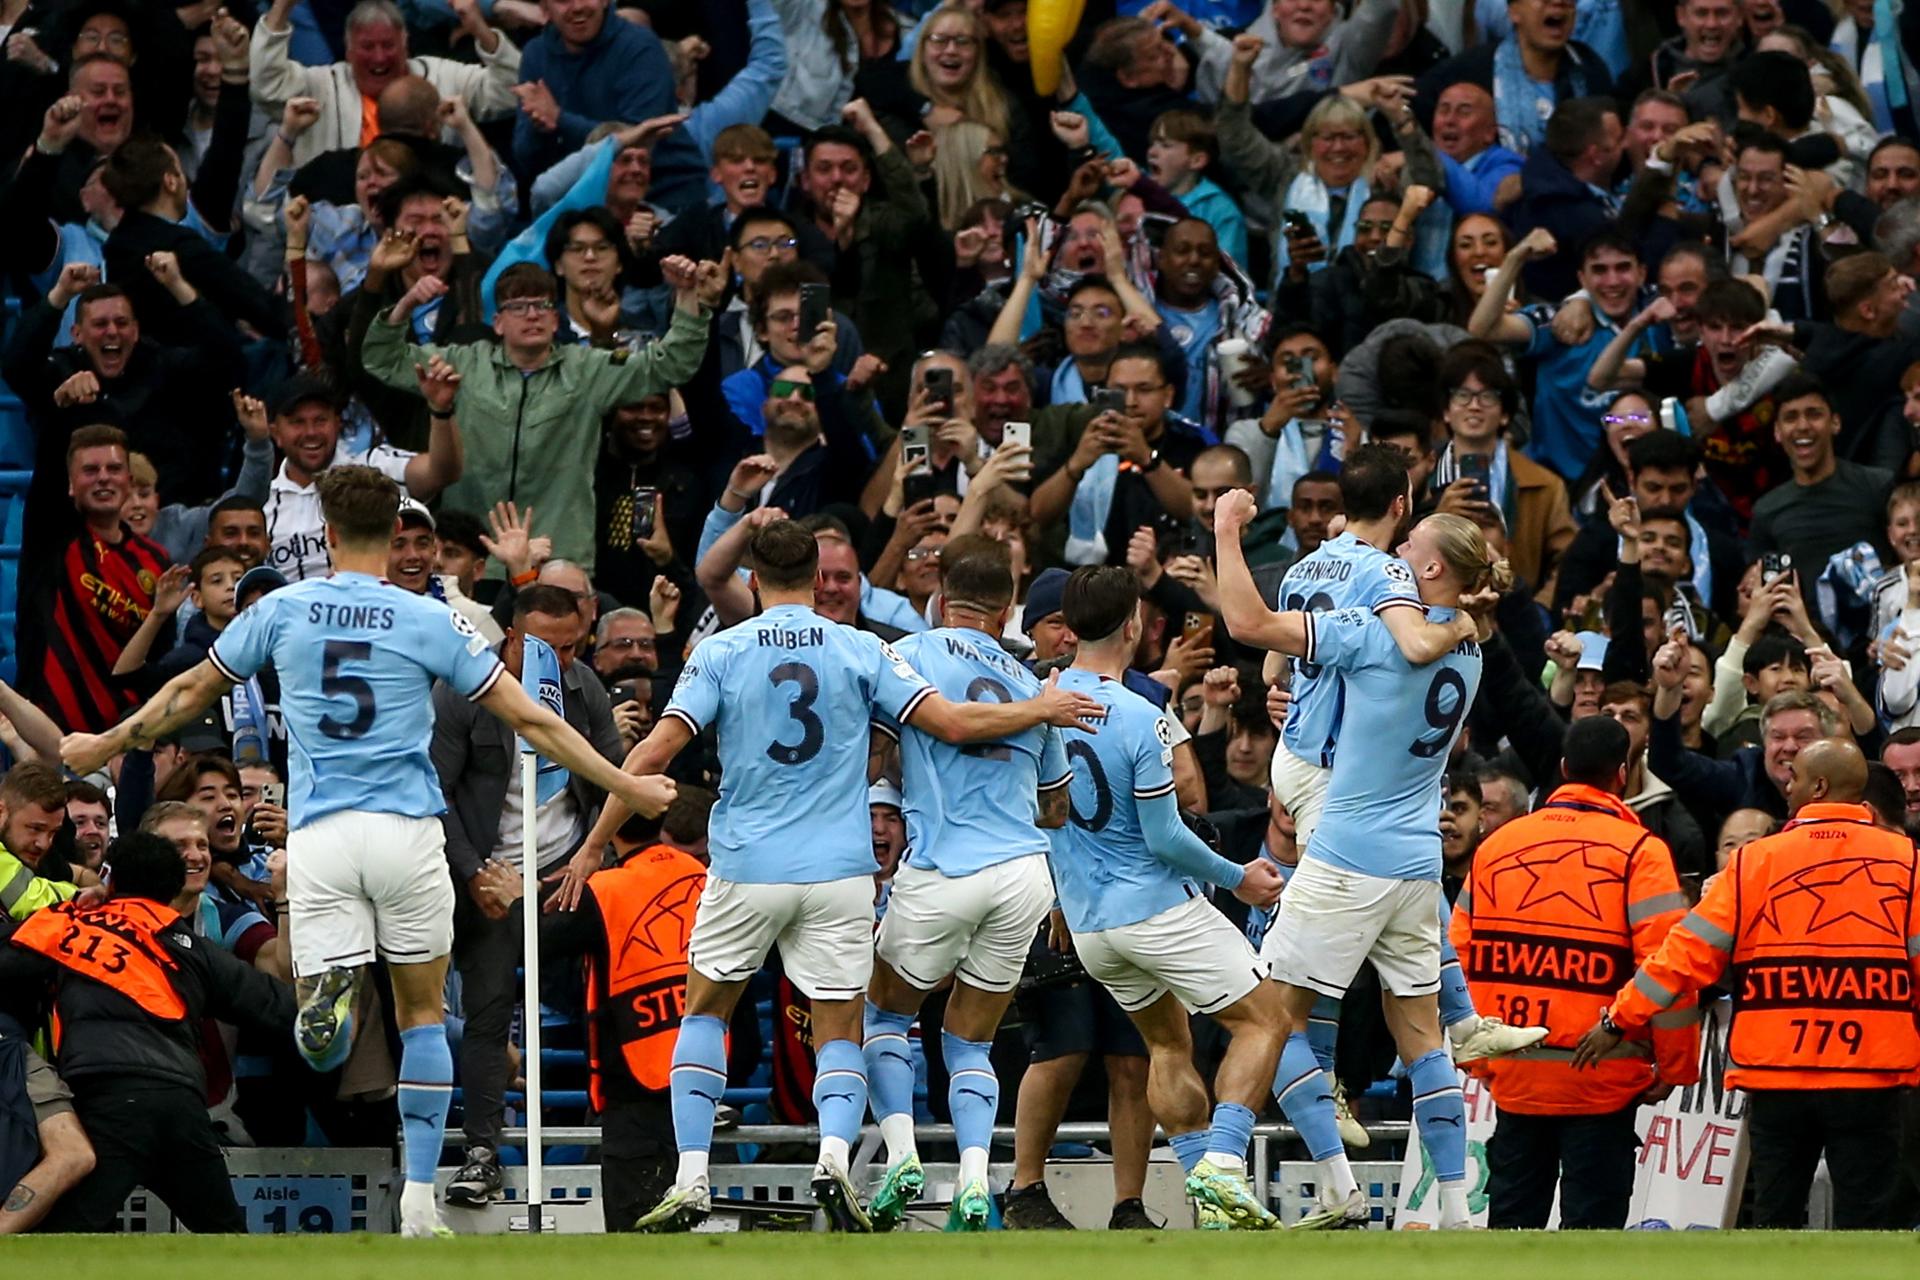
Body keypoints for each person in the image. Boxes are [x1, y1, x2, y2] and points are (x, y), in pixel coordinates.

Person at [58, 465, 678, 1240]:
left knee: (324, 1024)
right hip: (407, 831)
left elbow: (187, 694)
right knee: (422, 1015)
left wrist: (108, 739)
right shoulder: (428, 619)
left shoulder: (282, 608)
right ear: (392, 535)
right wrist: (626, 780)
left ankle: (328, 993)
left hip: (319, 834)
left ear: (321, 529)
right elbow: (536, 720)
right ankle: (420, 1198)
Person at [589, 519, 1103, 1232]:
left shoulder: (722, 649)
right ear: (821, 580)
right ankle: (835, 1157)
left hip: (749, 862)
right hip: (846, 868)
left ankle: (692, 1176)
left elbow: (656, 749)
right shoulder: (866, 650)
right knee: (844, 1027)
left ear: (754, 582)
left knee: (707, 1012)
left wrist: (594, 841)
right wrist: (1043, 708)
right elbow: (956, 725)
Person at [1214, 494, 1501, 1229]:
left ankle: (1219, 1158)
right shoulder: (1467, 644)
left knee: (1266, 1013)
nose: (1392, 554)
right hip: (1417, 864)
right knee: (1421, 1034)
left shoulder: (1371, 636)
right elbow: (1428, 641)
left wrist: (1226, 532)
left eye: (1407, 548)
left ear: (1430, 566)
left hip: (1349, 852)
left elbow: (1248, 626)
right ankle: (1453, 1213)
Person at [1576, 737, 1920, 1228]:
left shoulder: (1756, 862)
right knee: (1867, 1226)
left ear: (1819, 786)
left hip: (1777, 1074)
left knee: (1774, 1222)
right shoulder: (1906, 862)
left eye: (1795, 777)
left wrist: (1618, 1018)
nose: (1787, 785)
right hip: (1870, 1074)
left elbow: (1684, 954)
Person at [1044, 566, 1287, 1229]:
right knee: (1265, 1021)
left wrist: (1063, 899)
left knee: (1169, 1045)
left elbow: (1042, 815)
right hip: (1153, 909)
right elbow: (1166, 836)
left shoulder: (1041, 703)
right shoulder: (1139, 718)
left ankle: (1212, 1207)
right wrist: (1239, 876)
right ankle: (1225, 1167)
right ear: (1132, 627)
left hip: (1094, 928)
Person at [860, 536, 1069, 1231]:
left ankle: (900, 1155)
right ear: (1009, 605)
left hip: (945, 867)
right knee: (971, 1040)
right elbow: (1057, 806)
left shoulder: (909, 656)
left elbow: (874, 744)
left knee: (885, 1015)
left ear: (939, 595)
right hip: (1024, 875)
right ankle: (977, 1180)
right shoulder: (1033, 686)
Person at [1453, 715, 1698, 1228]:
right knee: (1592, 1244)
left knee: (1511, 1243)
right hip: (1600, 1078)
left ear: (1563, 769)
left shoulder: (1497, 847)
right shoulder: (1640, 853)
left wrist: (1478, 1059)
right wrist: (1674, 1069)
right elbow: (1667, 970)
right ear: (1624, 773)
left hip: (1516, 1075)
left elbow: (1459, 959)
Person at [432, 584, 624, 1206]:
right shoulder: (463, 689)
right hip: (491, 876)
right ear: (511, 637)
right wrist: (474, 873)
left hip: (569, 871)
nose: (560, 661)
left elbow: (612, 777)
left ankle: (639, 1131)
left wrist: (592, 859)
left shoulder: (582, 688)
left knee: (624, 979)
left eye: (570, 648)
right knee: (487, 1013)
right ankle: (482, 1154)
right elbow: (436, 792)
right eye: (546, 647)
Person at [0, 831, 294, 1232]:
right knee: (228, 1240)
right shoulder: (192, 945)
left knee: (61, 1239)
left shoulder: (69, 924)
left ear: (112, 881)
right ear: (175, 892)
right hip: (182, 1107)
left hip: (107, 1104)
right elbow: (279, 1009)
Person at [359, 255, 722, 572]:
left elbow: (671, 365)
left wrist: (687, 296)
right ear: (498, 322)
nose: (532, 314)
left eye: (543, 305)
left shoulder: (587, 370)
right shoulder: (463, 363)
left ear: (555, 320)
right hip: (472, 559)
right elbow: (381, 358)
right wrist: (406, 304)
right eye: (518, 306)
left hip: (559, 558)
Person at [249, 0, 523, 168]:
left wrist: (479, 27)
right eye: (368, 46)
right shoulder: (321, 84)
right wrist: (283, 7)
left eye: (388, 45)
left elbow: (512, 92)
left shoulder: (442, 77)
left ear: (405, 44)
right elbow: (266, 86)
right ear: (349, 51)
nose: (379, 57)